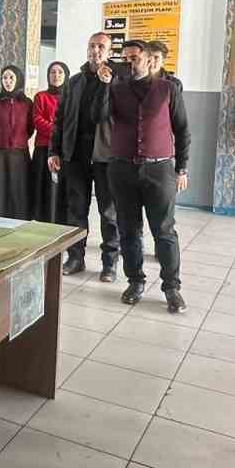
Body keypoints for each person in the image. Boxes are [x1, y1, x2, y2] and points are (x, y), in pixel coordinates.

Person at [95, 39, 190, 311]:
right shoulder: (116, 89)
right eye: (125, 59)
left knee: (164, 231)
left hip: (159, 169)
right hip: (122, 168)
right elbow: (99, 117)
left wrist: (181, 167)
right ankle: (135, 281)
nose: (129, 63)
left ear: (149, 60)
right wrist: (105, 86)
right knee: (128, 229)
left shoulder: (168, 89)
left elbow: (182, 130)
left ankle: (172, 288)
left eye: (134, 58)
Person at [47, 34, 123, 280]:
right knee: (76, 211)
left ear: (109, 52)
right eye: (92, 45)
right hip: (75, 157)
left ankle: (110, 263)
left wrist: (107, 84)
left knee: (108, 212)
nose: (95, 50)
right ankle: (75, 257)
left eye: (101, 46)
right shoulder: (75, 82)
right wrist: (54, 150)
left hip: (106, 158)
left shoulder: (119, 82)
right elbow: (59, 120)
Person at [0, 65, 33, 217]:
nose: (8, 81)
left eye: (11, 78)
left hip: (19, 154)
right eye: (4, 78)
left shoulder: (27, 103)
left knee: (18, 192)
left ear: (18, 80)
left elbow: (30, 128)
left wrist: (17, 140)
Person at [32, 61, 68, 221]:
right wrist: (58, 131)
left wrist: (60, 132)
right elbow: (37, 120)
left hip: (63, 150)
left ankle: (59, 222)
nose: (56, 75)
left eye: (60, 72)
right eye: (52, 72)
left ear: (66, 75)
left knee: (60, 190)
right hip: (43, 149)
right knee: (42, 189)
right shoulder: (40, 97)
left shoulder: (70, 96)